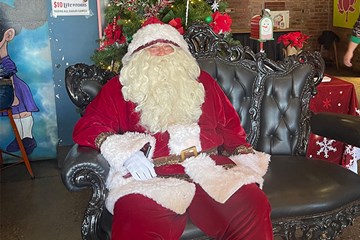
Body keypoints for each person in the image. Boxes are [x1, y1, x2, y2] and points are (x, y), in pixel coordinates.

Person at [73, 21, 273, 240]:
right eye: (152, 47)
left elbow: (229, 126)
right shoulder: (120, 88)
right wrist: (126, 154)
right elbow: (89, 126)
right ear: (138, 55)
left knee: (252, 205)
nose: (161, 52)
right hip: (149, 177)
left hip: (208, 168)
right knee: (137, 221)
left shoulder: (203, 83)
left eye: (168, 47)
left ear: (181, 54)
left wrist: (244, 158)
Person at [0, 11, 38, 155]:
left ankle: (27, 137)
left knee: (23, 113)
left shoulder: (5, 61)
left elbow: (9, 75)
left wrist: (14, 95)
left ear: (8, 35)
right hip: (8, 89)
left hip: (14, 88)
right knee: (18, 114)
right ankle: (21, 138)